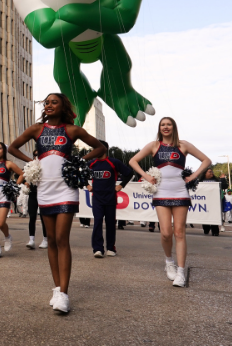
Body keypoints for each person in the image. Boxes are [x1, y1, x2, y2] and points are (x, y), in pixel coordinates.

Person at [9, 93, 104, 313]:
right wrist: (32, 162)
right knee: (51, 239)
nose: (49, 105)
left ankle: (64, 294)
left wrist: (79, 162)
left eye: (54, 102)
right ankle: (56, 287)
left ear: (63, 107)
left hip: (65, 188)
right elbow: (12, 148)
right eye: (47, 103)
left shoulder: (72, 130)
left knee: (62, 238)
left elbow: (99, 148)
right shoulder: (37, 129)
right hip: (44, 188)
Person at [129, 117, 210, 288]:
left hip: (180, 191)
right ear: (160, 128)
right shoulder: (154, 145)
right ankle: (169, 262)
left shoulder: (183, 145)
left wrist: (193, 177)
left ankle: (180, 271)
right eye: (163, 125)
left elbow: (206, 160)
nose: (166, 127)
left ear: (174, 127)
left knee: (179, 232)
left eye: (169, 124)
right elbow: (132, 161)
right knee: (166, 232)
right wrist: (146, 176)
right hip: (161, 192)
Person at [87, 140, 134, 257]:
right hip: (97, 198)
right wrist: (86, 185)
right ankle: (97, 249)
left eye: (96, 147)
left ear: (104, 149)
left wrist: (121, 185)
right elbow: (80, 174)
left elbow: (129, 173)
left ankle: (110, 248)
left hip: (110, 198)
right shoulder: (91, 163)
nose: (94, 150)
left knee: (110, 223)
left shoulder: (114, 162)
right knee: (97, 221)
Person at [26, 149, 48, 249]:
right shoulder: (30, 166)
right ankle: (31, 239)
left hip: (44, 193)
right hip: (33, 194)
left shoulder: (46, 166)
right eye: (35, 155)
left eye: (39, 155)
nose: (37, 157)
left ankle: (45, 239)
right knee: (32, 217)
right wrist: (26, 182)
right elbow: (24, 177)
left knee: (44, 218)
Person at [200, 169, 220, 236]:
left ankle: (215, 231)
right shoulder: (200, 181)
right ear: (205, 173)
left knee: (214, 216)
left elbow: (223, 186)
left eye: (212, 172)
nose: (212, 173)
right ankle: (206, 229)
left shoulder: (216, 181)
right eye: (210, 172)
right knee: (205, 215)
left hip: (214, 201)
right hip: (204, 201)